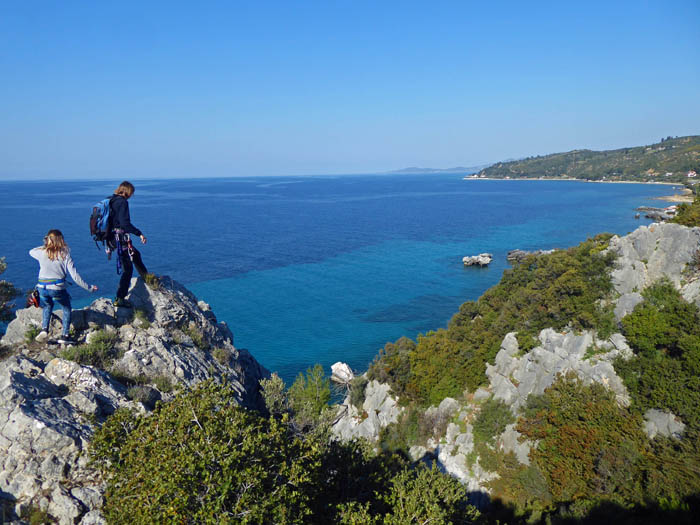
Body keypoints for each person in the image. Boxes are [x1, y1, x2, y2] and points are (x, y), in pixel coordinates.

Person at [30, 230, 98, 344]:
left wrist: (46, 244)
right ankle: (65, 336)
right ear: (61, 239)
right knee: (66, 308)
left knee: (47, 305)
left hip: (42, 287)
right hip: (56, 287)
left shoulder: (42, 252)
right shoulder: (65, 253)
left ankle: (44, 329)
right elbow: (75, 277)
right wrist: (89, 288)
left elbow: (31, 251)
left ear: (48, 239)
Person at [108, 181, 149, 308]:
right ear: (128, 191)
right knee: (128, 269)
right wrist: (139, 233)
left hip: (112, 238)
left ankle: (147, 278)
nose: (131, 196)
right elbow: (125, 223)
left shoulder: (111, 200)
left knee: (136, 255)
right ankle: (120, 298)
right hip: (120, 239)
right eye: (131, 193)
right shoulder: (122, 202)